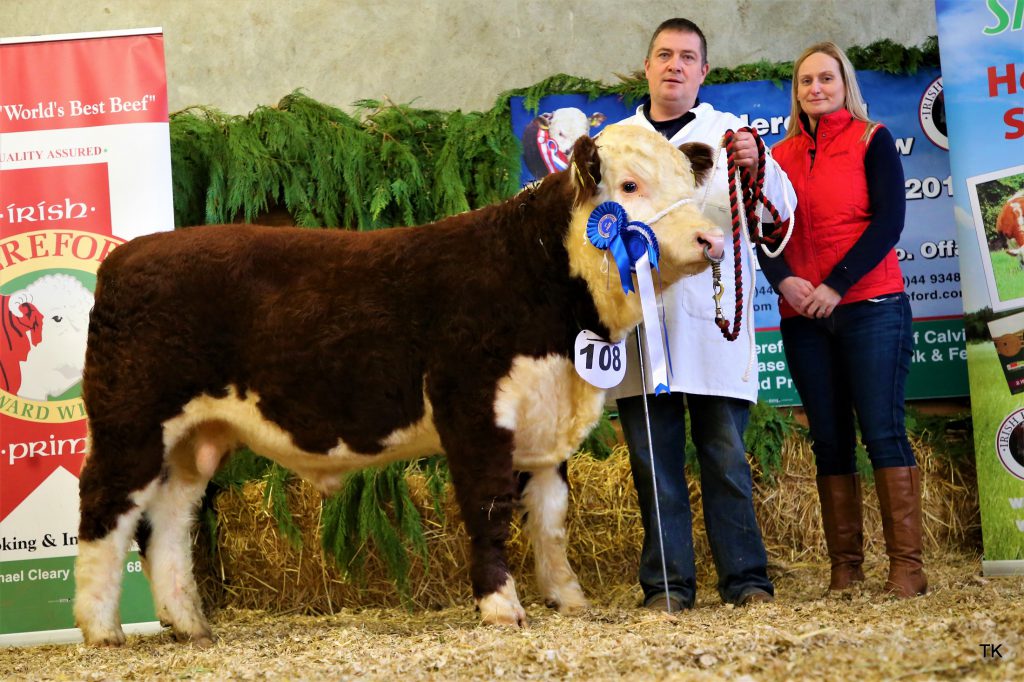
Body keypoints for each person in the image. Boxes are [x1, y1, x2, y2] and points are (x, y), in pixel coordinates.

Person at [611, 18, 796, 612]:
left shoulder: (731, 136)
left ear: (704, 71)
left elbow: (780, 215)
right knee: (652, 464)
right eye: (664, 55)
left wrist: (758, 165)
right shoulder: (615, 142)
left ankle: (746, 580)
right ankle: (667, 587)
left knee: (726, 459)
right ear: (646, 66)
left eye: (687, 57)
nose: (675, 65)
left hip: (714, 321)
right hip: (641, 327)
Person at [757, 41, 927, 598]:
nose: (816, 88)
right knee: (829, 441)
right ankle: (845, 570)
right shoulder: (777, 157)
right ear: (796, 91)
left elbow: (889, 222)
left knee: (881, 432)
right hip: (803, 315)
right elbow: (763, 230)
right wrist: (784, 280)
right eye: (805, 80)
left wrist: (836, 284)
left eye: (826, 78)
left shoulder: (871, 139)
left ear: (844, 84)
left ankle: (907, 568)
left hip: (871, 306)